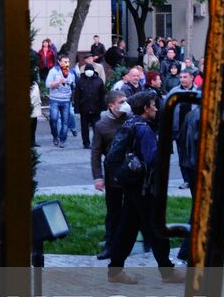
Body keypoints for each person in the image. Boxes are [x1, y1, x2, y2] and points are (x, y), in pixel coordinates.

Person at [102, 90, 182, 284]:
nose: (155, 108)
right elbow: (152, 160)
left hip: (132, 186)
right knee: (156, 228)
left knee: (127, 228)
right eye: (153, 105)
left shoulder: (130, 124)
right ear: (146, 108)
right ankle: (167, 272)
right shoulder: (144, 129)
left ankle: (115, 270)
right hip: (144, 188)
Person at [89, 89, 129, 260]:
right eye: (121, 102)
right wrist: (98, 176)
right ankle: (110, 245)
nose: (125, 104)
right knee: (113, 211)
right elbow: (96, 152)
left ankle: (141, 241)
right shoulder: (102, 125)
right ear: (111, 106)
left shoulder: (131, 119)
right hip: (113, 174)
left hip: (132, 172)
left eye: (125, 101)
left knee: (136, 209)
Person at [73, 57, 107, 150]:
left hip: (96, 107)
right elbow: (77, 95)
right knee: (84, 127)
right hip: (84, 107)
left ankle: (97, 142)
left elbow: (102, 94)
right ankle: (86, 143)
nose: (89, 72)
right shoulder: (80, 81)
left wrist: (103, 106)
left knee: (97, 127)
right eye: (87, 70)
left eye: (90, 70)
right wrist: (76, 108)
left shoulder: (98, 81)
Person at [45, 55, 76, 146]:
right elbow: (48, 84)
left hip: (66, 100)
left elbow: (74, 86)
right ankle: (55, 136)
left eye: (68, 61)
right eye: (64, 61)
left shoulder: (71, 72)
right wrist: (59, 82)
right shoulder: (54, 71)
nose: (67, 63)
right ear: (59, 62)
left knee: (65, 121)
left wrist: (71, 84)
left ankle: (62, 140)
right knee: (54, 119)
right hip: (55, 100)